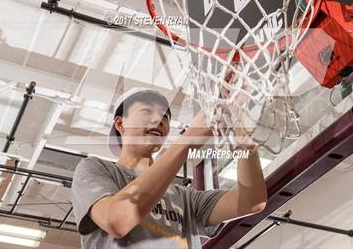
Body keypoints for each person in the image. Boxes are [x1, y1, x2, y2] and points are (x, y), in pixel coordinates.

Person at [71, 88, 267, 248]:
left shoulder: (185, 198)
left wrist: (244, 133)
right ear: (120, 123)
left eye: (164, 116)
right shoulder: (95, 169)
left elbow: (251, 201)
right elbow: (117, 219)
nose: (159, 120)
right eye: (146, 111)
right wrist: (187, 142)